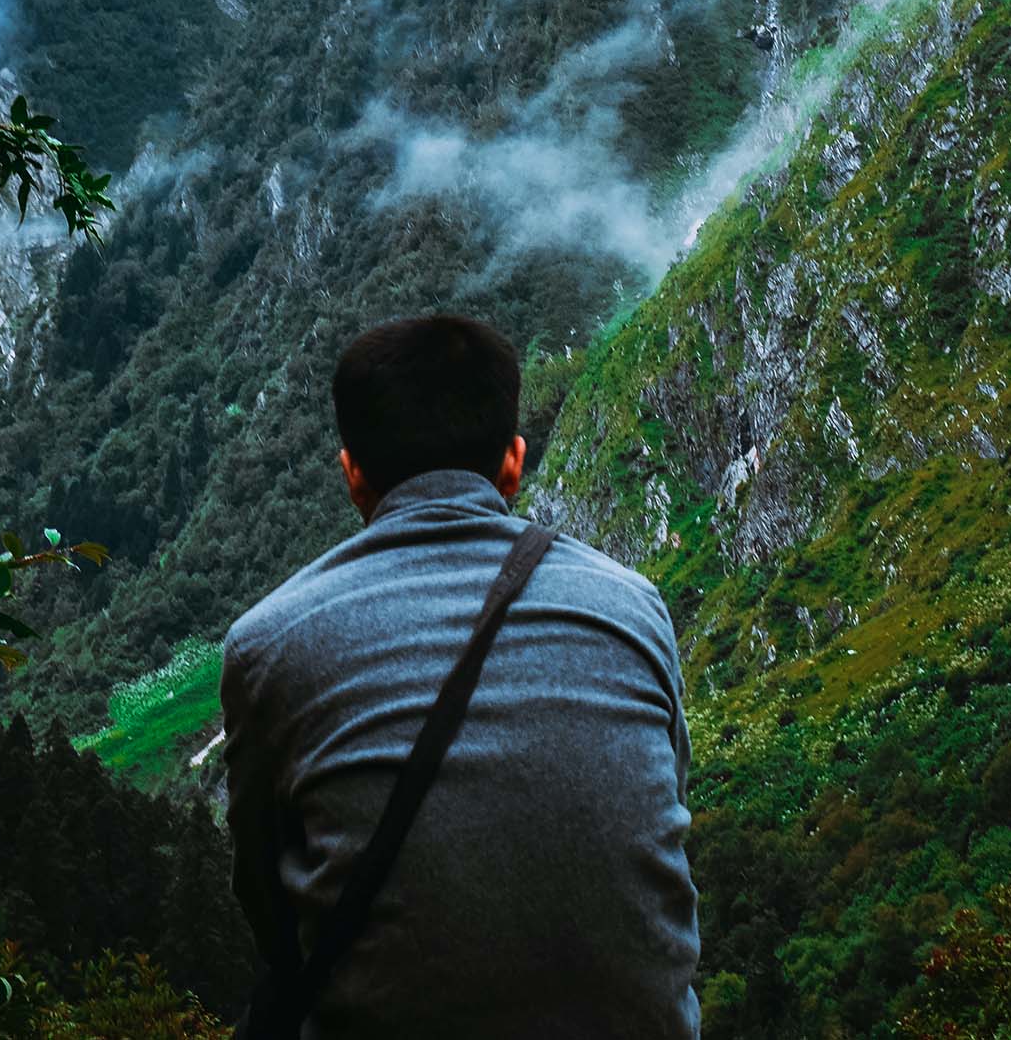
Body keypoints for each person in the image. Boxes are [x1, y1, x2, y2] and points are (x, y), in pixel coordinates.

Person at [221, 314, 700, 1037]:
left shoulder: (268, 644)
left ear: (353, 475)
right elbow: (662, 816)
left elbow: (268, 906)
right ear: (514, 461)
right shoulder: (633, 608)